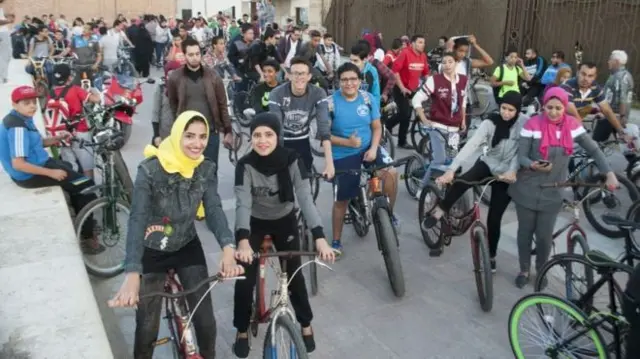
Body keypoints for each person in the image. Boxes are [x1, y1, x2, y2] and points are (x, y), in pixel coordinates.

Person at [107, 111, 242, 359]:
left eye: (202, 137)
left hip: (186, 245)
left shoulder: (205, 168)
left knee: (206, 322)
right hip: (151, 251)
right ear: (177, 135)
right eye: (189, 136)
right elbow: (137, 219)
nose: (197, 143)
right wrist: (132, 272)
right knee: (147, 328)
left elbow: (213, 208)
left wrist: (228, 248)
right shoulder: (150, 170)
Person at [232, 112, 335, 358]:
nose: (262, 140)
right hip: (254, 223)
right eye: (257, 135)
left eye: (268, 134)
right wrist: (243, 240)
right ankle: (241, 329)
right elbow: (243, 204)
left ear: (278, 136)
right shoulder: (245, 165)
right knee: (244, 278)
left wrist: (319, 236)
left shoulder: (292, 160)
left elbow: (305, 198)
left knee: (294, 275)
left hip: (284, 220)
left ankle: (305, 323)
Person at [509, 87, 618, 288]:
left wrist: (608, 172)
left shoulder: (572, 125)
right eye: (549, 107)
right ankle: (524, 269)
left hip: (554, 190)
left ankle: (541, 270)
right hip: (527, 188)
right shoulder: (533, 124)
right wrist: (532, 164)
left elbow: (593, 149)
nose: (553, 112)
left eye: (558, 108)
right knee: (525, 232)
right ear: (544, 105)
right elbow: (521, 156)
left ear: (564, 107)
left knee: (544, 237)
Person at [422, 92, 527, 261]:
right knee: (462, 182)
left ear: (518, 110)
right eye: (503, 108)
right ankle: (440, 210)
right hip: (488, 163)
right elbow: (472, 145)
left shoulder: (524, 124)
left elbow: (521, 151)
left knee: (494, 217)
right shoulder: (490, 122)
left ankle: (491, 256)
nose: (506, 113)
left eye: (511, 110)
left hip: (507, 173)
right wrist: (451, 169)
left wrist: (513, 171)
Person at [0, 86, 100, 254]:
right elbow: (19, 163)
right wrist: (51, 173)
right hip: (29, 174)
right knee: (86, 186)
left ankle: (81, 216)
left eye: (34, 102)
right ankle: (87, 236)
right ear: (15, 104)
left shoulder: (21, 117)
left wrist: (56, 138)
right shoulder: (17, 128)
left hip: (40, 162)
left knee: (70, 171)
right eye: (26, 103)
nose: (32, 106)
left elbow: (35, 143)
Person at [319, 62, 398, 254]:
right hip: (343, 154)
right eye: (344, 80)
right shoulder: (329, 103)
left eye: (353, 79)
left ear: (360, 81)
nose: (349, 83)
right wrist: (348, 143)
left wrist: (373, 148)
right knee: (341, 200)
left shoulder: (368, 98)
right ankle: (336, 241)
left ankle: (389, 214)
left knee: (391, 174)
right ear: (338, 82)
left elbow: (377, 127)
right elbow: (324, 137)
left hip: (368, 149)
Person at [166, 37, 233, 166]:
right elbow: (173, 106)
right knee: (187, 171)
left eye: (197, 54)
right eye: (190, 54)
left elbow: (222, 105)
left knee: (210, 171)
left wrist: (228, 131)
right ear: (185, 56)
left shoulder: (213, 76)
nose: (195, 57)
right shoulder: (175, 78)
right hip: (186, 134)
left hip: (210, 133)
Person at [268, 57, 334, 178]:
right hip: (282, 140)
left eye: (302, 73)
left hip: (302, 140)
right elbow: (276, 128)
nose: (299, 77)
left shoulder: (318, 93)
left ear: (309, 76)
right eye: (295, 73)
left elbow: (324, 128)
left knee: (305, 178)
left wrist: (329, 164)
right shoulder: (276, 94)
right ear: (289, 75)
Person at [411, 52, 468, 182]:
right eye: (444, 62)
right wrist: (424, 119)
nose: (447, 65)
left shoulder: (463, 80)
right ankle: (423, 190)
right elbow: (416, 99)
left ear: (456, 63)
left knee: (452, 162)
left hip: (454, 129)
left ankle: (441, 188)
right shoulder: (435, 80)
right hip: (437, 126)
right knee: (439, 160)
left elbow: (463, 100)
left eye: (450, 62)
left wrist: (463, 119)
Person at [47, 63, 101, 177]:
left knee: (71, 167)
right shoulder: (76, 90)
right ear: (69, 77)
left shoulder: (51, 94)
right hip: (80, 131)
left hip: (62, 135)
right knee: (87, 166)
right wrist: (92, 89)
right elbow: (96, 100)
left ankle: (78, 189)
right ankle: (91, 189)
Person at [561, 62, 628, 143]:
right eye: (583, 74)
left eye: (590, 76)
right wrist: (583, 130)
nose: (586, 78)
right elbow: (572, 112)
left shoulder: (595, 87)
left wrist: (621, 132)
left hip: (573, 127)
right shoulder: (567, 86)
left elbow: (607, 110)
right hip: (556, 126)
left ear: (595, 77)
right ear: (577, 73)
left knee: (595, 150)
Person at [387, 34, 429, 149]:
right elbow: (395, 72)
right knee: (405, 113)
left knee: (407, 115)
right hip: (400, 88)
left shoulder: (423, 56)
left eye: (424, 43)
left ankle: (402, 141)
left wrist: (431, 86)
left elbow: (425, 73)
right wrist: (402, 88)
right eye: (420, 42)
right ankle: (386, 125)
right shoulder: (405, 53)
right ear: (413, 43)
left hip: (413, 89)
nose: (423, 45)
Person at [604, 50, 634, 126]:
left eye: (610, 60)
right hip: (612, 115)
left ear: (616, 61)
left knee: (597, 137)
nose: (608, 62)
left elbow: (622, 97)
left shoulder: (620, 76)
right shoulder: (621, 74)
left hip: (612, 116)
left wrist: (622, 116)